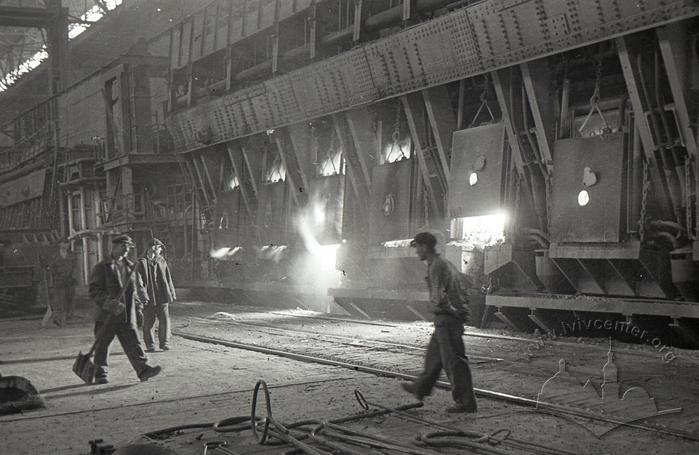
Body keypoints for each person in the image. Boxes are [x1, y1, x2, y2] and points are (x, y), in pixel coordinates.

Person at [401, 232, 478, 413]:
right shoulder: (444, 263)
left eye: (417, 247)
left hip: (447, 318)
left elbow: (440, 298)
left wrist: (453, 312)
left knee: (454, 361)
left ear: (424, 247)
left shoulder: (436, 266)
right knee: (434, 356)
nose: (416, 252)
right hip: (448, 318)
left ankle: (466, 403)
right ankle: (420, 387)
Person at [88, 234, 161, 384]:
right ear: (114, 247)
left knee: (133, 343)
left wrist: (139, 306)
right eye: (123, 246)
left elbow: (132, 290)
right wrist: (109, 303)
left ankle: (143, 370)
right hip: (106, 315)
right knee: (102, 344)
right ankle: (100, 373)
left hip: (126, 315)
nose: (127, 250)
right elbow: (94, 291)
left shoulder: (131, 266)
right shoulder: (102, 267)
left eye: (128, 247)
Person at [138, 238, 177, 352]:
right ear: (152, 248)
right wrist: (142, 295)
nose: (160, 250)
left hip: (161, 295)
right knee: (149, 321)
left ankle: (164, 343)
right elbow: (138, 281)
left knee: (164, 319)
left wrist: (171, 292)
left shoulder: (161, 261)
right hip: (148, 296)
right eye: (159, 248)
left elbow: (168, 278)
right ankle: (150, 345)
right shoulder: (141, 262)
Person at [47, 242, 77, 326]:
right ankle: (57, 318)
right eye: (63, 243)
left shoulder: (72, 255)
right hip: (59, 279)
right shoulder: (55, 255)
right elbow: (51, 267)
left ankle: (68, 318)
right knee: (59, 299)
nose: (66, 245)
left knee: (70, 299)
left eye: (67, 243)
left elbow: (75, 266)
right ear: (60, 244)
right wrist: (56, 275)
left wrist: (74, 277)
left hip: (70, 279)